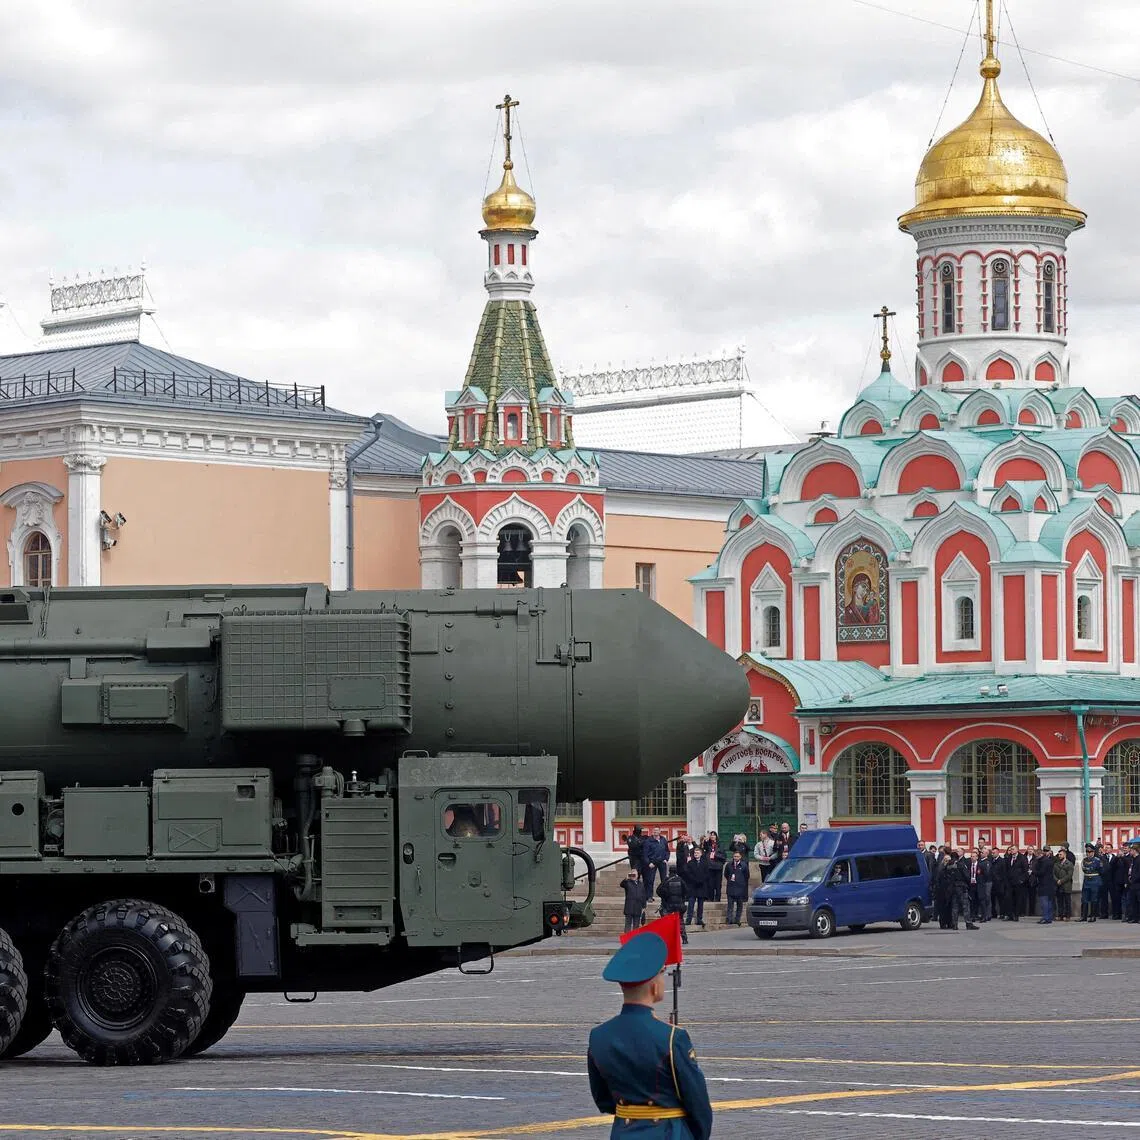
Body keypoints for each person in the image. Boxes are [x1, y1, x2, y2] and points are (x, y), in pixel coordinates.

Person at [587, 932, 713, 1140]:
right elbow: (698, 1104)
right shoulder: (673, 1038)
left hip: (623, 1132)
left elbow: (603, 1100)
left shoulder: (599, 1036)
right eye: (662, 974)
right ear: (654, 986)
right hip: (669, 1133)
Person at [657, 864, 690, 945]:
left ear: (669, 871)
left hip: (669, 904)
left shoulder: (666, 880)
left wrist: (665, 897)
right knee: (680, 922)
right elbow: (686, 891)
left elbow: (658, 891)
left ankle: (668, 938)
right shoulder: (680, 880)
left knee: (667, 922)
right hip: (679, 904)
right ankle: (684, 938)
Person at [681, 845, 708, 930]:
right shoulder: (690, 863)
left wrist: (701, 880)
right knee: (691, 903)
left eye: (698, 853)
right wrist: (695, 880)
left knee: (700, 904)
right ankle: (689, 919)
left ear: (701, 854)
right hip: (692, 885)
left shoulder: (705, 862)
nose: (696, 854)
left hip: (701, 886)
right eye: (695, 853)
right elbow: (688, 874)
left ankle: (699, 919)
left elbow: (707, 873)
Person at [723, 851, 750, 926]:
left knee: (739, 905)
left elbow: (747, 876)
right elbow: (726, 874)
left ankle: (737, 919)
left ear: (740, 857)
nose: (736, 858)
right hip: (731, 887)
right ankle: (729, 919)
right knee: (730, 905)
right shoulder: (729, 865)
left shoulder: (744, 865)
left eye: (737, 856)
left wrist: (741, 882)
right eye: (735, 856)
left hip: (740, 888)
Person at [619, 869, 648, 934]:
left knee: (636, 924)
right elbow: (621, 884)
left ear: (637, 875)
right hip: (629, 906)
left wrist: (644, 906)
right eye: (632, 874)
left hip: (638, 906)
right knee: (628, 923)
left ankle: (634, 937)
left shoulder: (641, 884)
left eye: (635, 874)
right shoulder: (627, 882)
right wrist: (626, 878)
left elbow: (643, 895)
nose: (634, 876)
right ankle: (627, 937)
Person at [643, 829, 669, 899]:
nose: (655, 831)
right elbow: (645, 854)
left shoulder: (663, 839)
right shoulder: (648, 841)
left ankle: (664, 896)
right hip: (652, 863)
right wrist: (649, 863)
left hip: (662, 862)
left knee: (664, 880)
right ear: (652, 832)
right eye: (654, 830)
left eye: (657, 830)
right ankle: (649, 896)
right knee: (650, 880)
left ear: (660, 832)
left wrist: (666, 859)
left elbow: (667, 850)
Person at [1034, 845, 1056, 924]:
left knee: (1044, 902)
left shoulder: (1042, 862)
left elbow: (1041, 872)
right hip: (1050, 884)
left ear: (1039, 854)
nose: (1035, 857)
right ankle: (1049, 917)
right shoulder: (1048, 860)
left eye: (1036, 855)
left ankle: (1046, 918)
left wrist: (1033, 872)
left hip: (1043, 884)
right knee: (1049, 902)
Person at [1080, 844, 1103, 922]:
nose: (1088, 853)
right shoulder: (1084, 860)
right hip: (1086, 880)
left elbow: (1099, 869)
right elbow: (1084, 869)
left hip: (1095, 881)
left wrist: (1089, 869)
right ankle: (1083, 916)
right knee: (1084, 899)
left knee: (1094, 899)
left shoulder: (1097, 860)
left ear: (1093, 852)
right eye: (1087, 852)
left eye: (1090, 852)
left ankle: (1093, 916)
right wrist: (1089, 869)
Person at [1054, 848, 1074, 921]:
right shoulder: (1056, 864)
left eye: (1060, 854)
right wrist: (1057, 880)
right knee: (1060, 902)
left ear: (1064, 855)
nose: (1059, 856)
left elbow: (1069, 875)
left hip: (1066, 886)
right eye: (1059, 854)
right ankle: (1060, 915)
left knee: (1067, 902)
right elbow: (1053, 874)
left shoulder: (1069, 864)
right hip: (1058, 886)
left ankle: (1067, 915)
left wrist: (1061, 881)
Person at [704, 833, 725, 903]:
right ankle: (710, 897)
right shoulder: (708, 845)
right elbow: (705, 847)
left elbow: (723, 856)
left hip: (718, 867)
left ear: (716, 836)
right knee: (710, 883)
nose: (712, 836)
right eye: (711, 835)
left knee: (718, 884)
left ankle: (717, 898)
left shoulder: (720, 845)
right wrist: (706, 841)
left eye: (714, 835)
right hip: (710, 866)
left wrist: (715, 855)